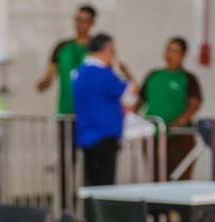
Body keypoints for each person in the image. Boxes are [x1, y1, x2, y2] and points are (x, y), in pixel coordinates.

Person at [73, 33, 137, 187]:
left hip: (86, 136)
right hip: (104, 136)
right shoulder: (104, 75)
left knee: (91, 183)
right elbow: (131, 93)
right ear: (107, 50)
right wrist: (128, 73)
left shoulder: (80, 73)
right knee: (104, 185)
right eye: (113, 52)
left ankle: (89, 211)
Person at [136, 37, 202, 180]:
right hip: (154, 136)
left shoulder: (188, 78)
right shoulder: (153, 75)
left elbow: (195, 103)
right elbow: (140, 101)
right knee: (157, 176)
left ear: (183, 55)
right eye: (168, 50)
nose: (170, 54)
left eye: (175, 51)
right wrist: (133, 120)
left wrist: (182, 120)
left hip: (178, 136)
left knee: (179, 177)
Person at [36, 4, 95, 115]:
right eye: (78, 20)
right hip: (66, 111)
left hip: (91, 113)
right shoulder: (62, 47)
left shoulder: (97, 48)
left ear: (92, 23)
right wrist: (43, 83)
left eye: (84, 21)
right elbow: (49, 76)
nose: (80, 24)